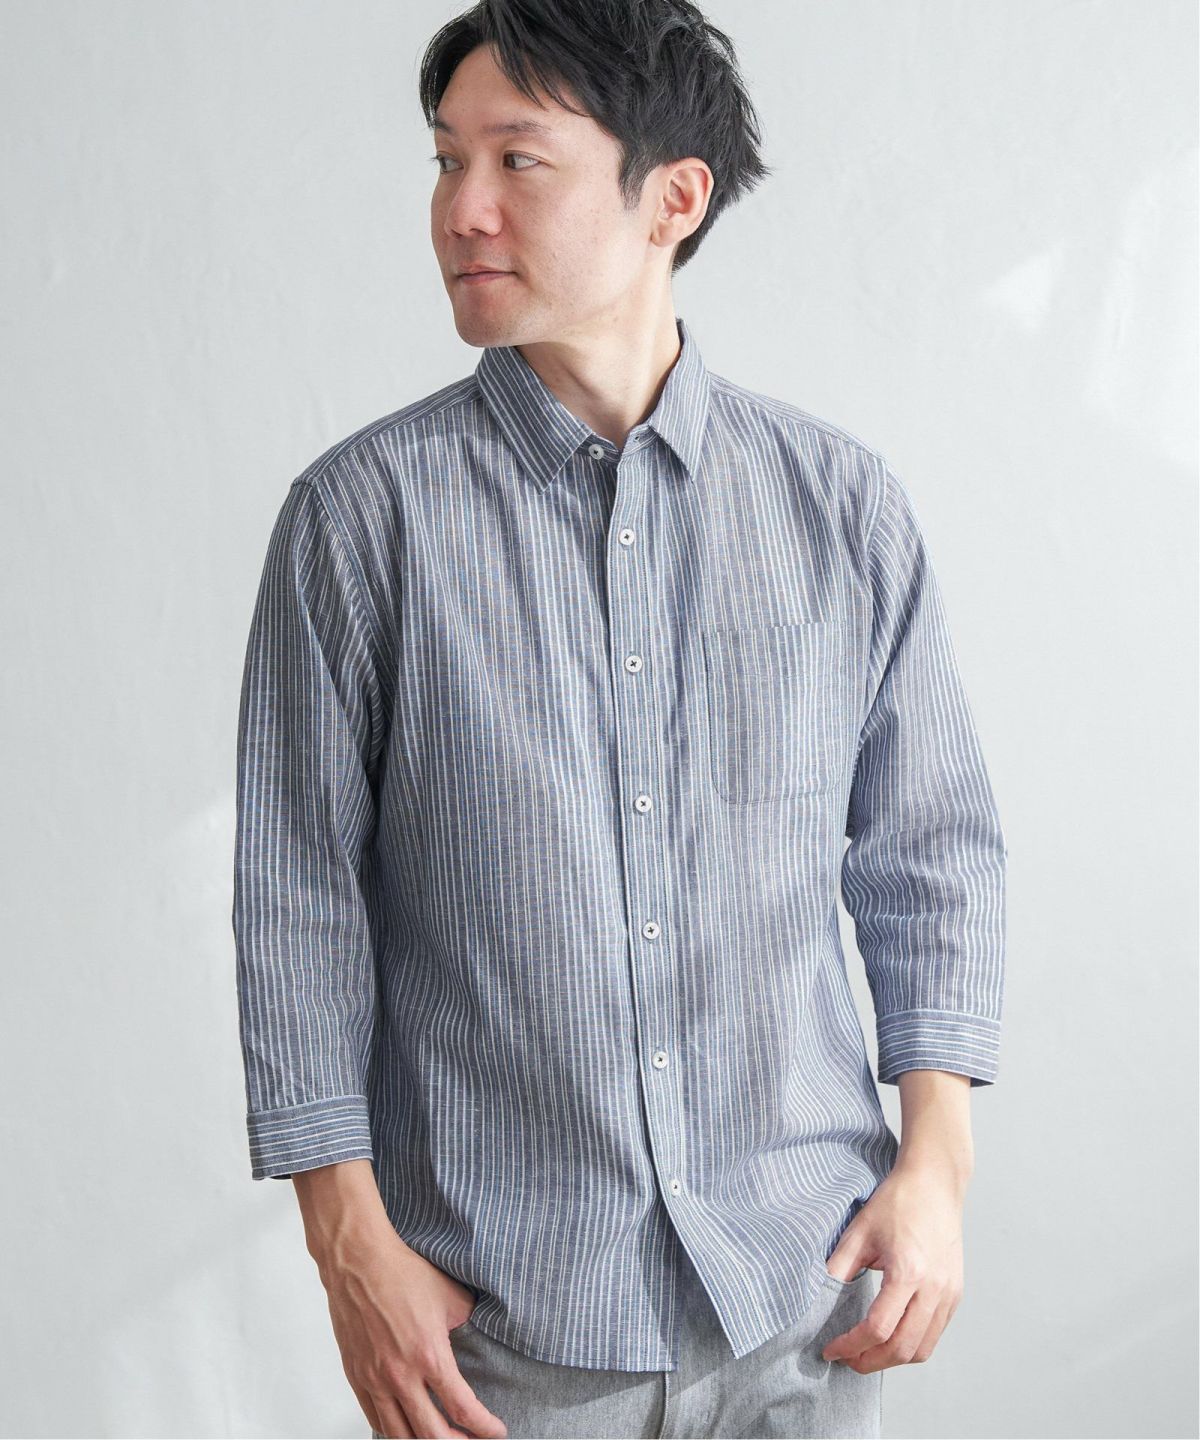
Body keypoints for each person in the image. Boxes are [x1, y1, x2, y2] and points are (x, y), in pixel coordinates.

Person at [231, 2, 1007, 1436]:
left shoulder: (839, 507)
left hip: (801, 1302)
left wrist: (936, 1169)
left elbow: (929, 854)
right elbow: (297, 900)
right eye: (446, 160)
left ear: (673, 199)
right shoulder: (360, 521)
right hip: (502, 1333)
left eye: (516, 160)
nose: (461, 209)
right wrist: (348, 1246)